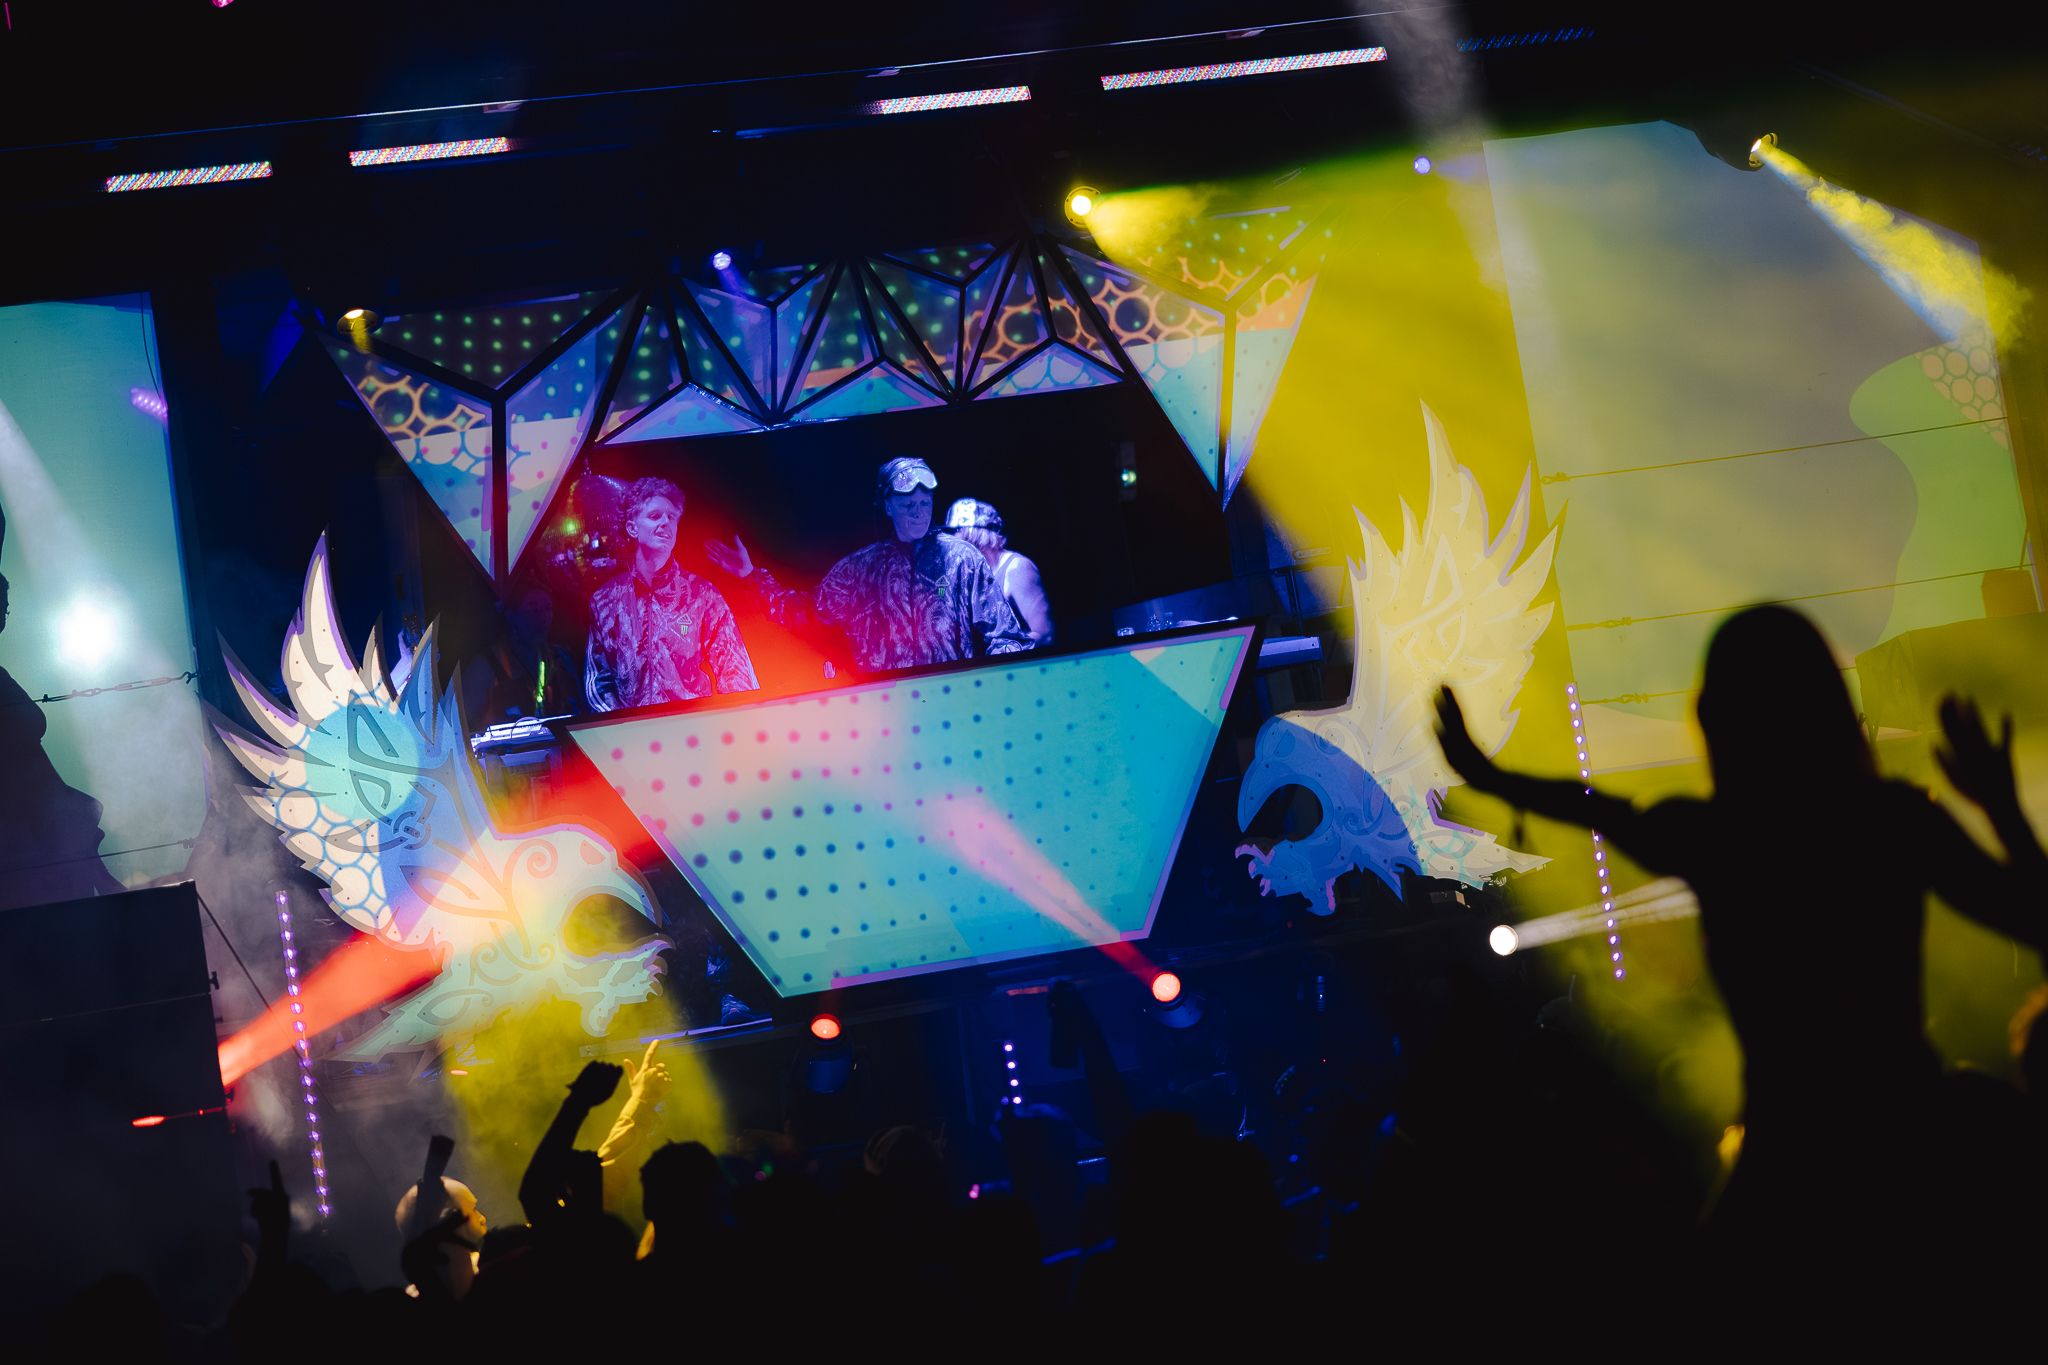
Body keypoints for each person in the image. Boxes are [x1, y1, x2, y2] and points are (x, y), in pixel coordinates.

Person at [1433, 604, 2048, 1256]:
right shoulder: (1892, 821)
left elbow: (1598, 808)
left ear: (1717, 721)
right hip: (1916, 1140)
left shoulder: (1718, 838)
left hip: (1788, 1167)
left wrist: (1491, 777)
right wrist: (2002, 807)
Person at [706, 456, 1028, 673]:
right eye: (907, 504)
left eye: (924, 503)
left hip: (954, 707)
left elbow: (1005, 634)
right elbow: (806, 614)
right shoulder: (859, 569)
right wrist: (751, 577)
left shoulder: (963, 560)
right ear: (887, 506)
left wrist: (994, 681)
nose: (918, 512)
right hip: (887, 715)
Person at [585, 477, 758, 711]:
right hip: (631, 739)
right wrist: (623, 729)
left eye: (672, 517)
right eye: (655, 516)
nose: (666, 522)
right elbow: (597, 683)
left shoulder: (702, 596)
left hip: (693, 734)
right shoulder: (605, 600)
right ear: (632, 528)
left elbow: (736, 670)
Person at [945, 497, 1053, 648]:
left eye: (956, 531)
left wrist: (1001, 654)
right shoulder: (969, 574)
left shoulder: (1017, 568)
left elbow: (1044, 634)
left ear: (972, 533)